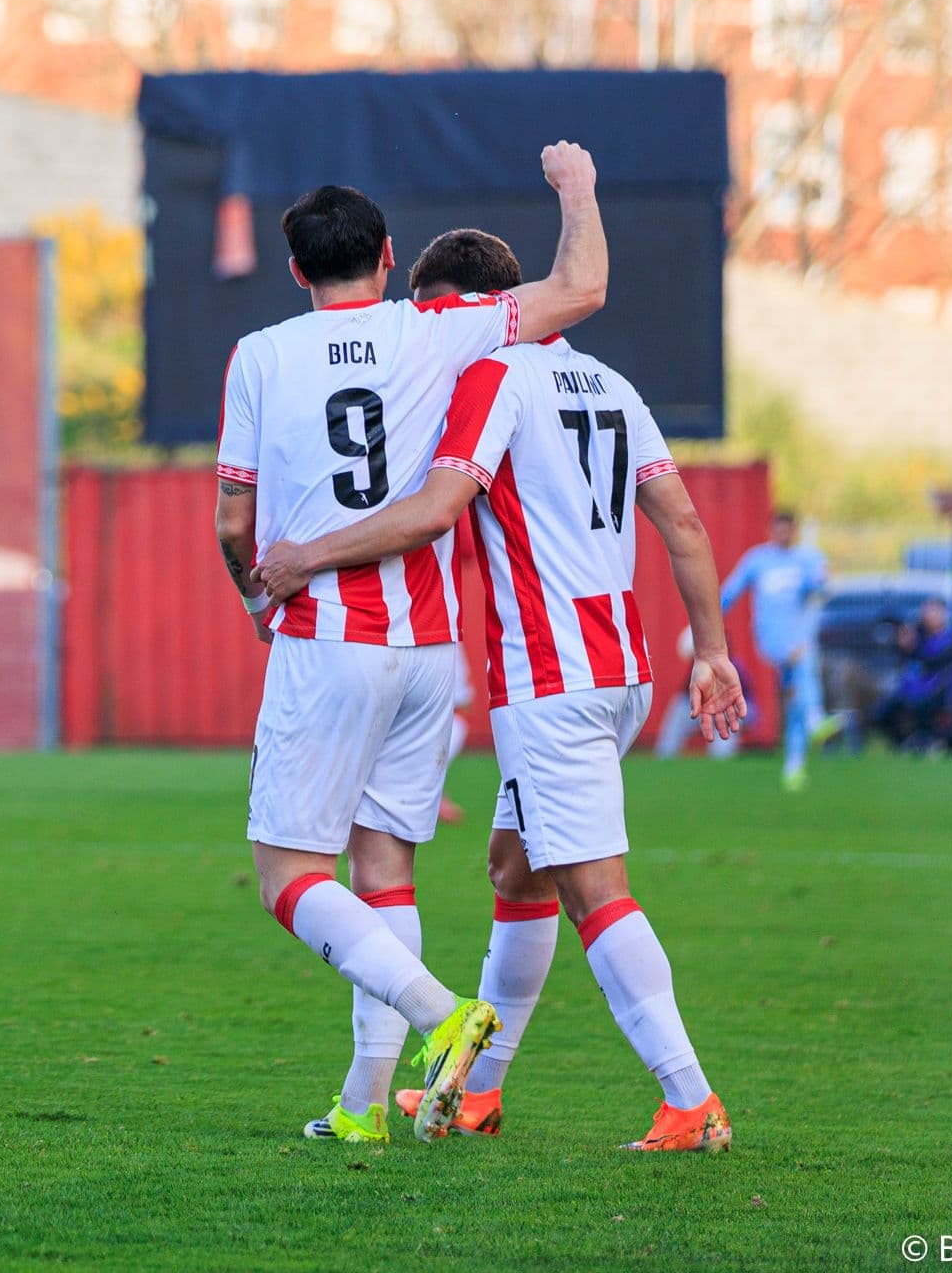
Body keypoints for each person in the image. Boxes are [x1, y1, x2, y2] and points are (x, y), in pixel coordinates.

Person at [256, 226, 746, 1155]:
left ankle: (691, 1098)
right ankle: (478, 1093)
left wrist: (308, 555)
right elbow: (681, 519)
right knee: (516, 870)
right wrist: (712, 651)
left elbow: (440, 507)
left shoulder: (494, 378)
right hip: (623, 670)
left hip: (551, 679)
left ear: (465, 312)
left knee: (596, 889)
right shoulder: (609, 383)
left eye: (438, 318)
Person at [214, 147, 608, 1145]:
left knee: (286, 875)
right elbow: (583, 286)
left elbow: (233, 521)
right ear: (389, 258)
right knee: (383, 871)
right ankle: (359, 1108)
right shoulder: (435, 330)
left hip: (327, 640)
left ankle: (442, 1016)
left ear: (297, 270)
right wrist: (576, 190)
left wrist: (260, 597)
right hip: (429, 651)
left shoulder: (261, 354)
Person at [720, 511, 831, 790]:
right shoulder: (758, 560)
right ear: (771, 530)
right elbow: (730, 592)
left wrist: (819, 580)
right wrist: (701, 624)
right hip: (772, 639)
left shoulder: (806, 559)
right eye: (779, 529)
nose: (784, 534)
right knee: (804, 663)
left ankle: (794, 765)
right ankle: (815, 718)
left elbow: (818, 590)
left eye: (789, 529)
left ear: (794, 530)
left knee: (795, 697)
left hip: (798, 639)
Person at [874, 596, 952, 752]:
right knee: (881, 712)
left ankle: (930, 742)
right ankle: (903, 744)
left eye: (933, 611)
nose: (928, 615)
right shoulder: (919, 637)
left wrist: (914, 648)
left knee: (924, 710)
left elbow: (935, 661)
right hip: (910, 692)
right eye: (926, 611)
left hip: (937, 694)